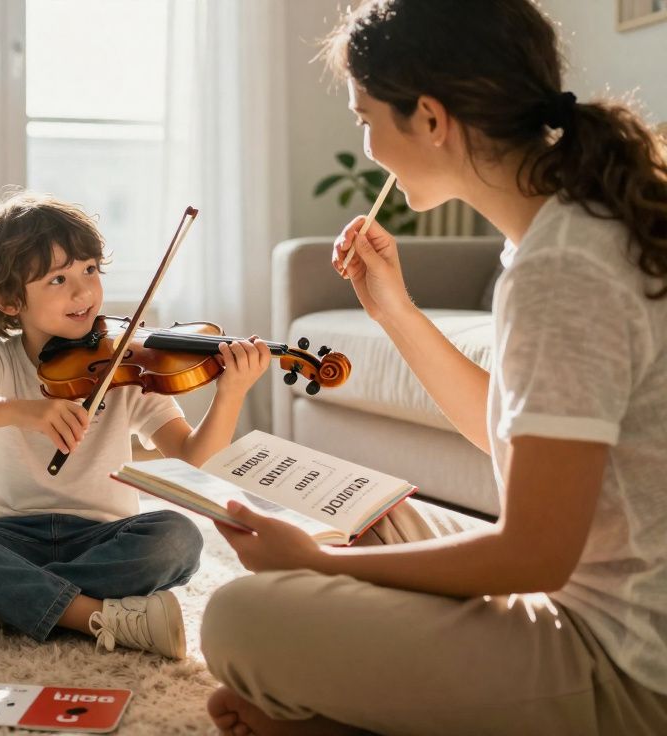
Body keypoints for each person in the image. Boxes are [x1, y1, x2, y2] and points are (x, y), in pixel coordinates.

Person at [200, 1, 667, 734]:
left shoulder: (565, 268)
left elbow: (535, 556)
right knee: (370, 515)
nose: (366, 147)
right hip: (574, 601)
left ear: (429, 118)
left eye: (365, 118)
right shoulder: (561, 233)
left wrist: (320, 568)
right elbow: (505, 432)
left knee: (238, 617)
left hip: (621, 662)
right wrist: (395, 310)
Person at [0, 191, 272, 659]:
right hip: (8, 536)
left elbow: (195, 457)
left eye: (90, 270)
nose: (83, 292)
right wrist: (23, 411)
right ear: (8, 300)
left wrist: (231, 393)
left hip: (103, 538)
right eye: (58, 279)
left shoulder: (127, 362)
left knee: (178, 538)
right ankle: (88, 613)